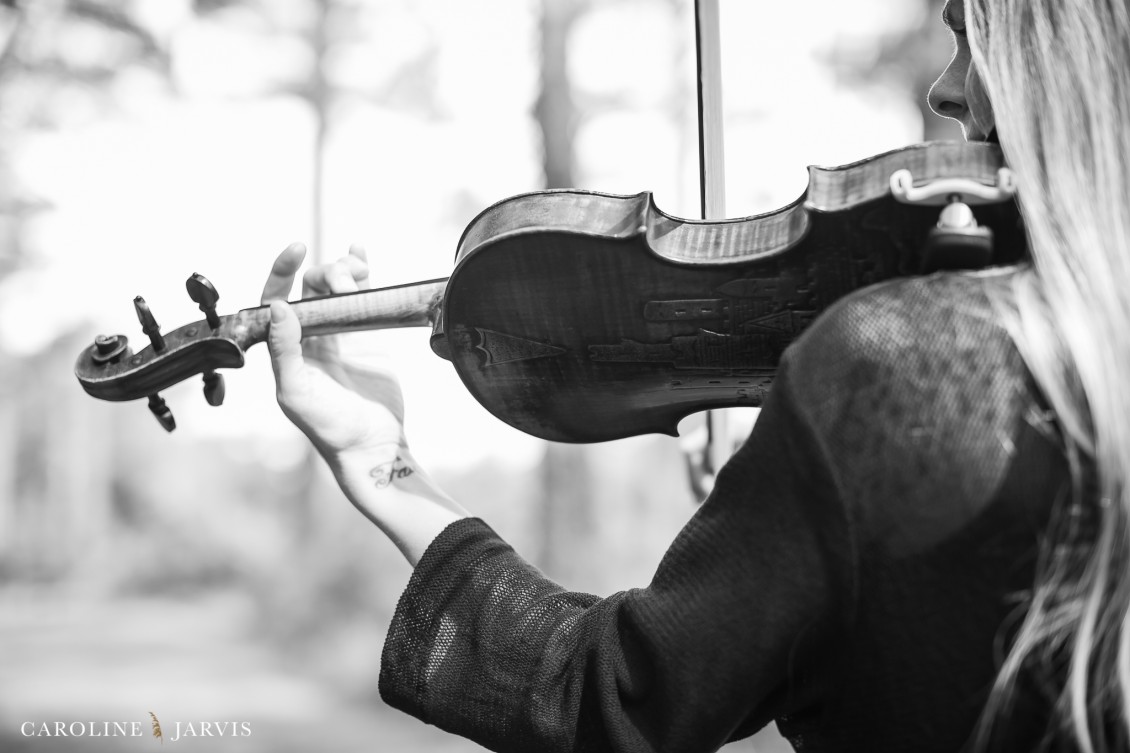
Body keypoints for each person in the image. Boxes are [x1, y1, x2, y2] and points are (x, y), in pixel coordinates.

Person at [258, 0, 1130, 750]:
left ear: (1062, 59)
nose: (945, 87)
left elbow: (610, 700)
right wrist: (792, 512)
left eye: (970, 30)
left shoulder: (900, 368)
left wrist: (383, 457)